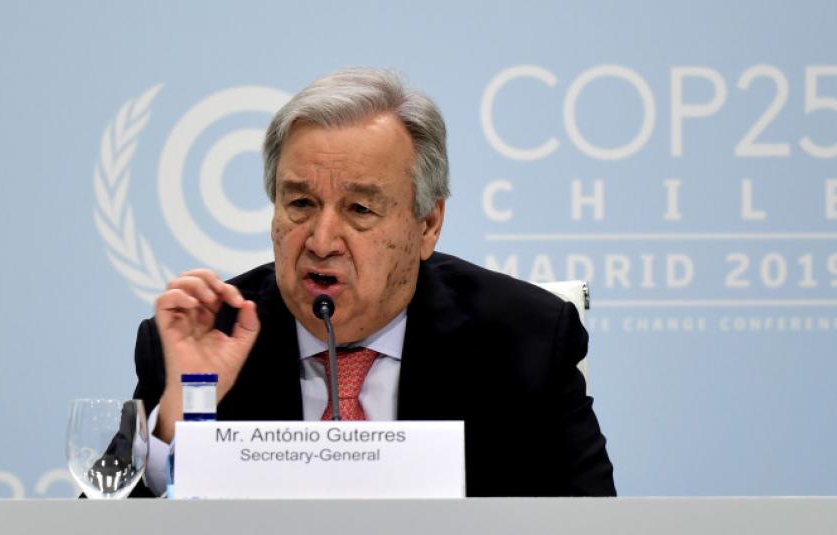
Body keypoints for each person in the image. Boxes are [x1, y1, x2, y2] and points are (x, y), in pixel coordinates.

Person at [131, 67, 615, 497]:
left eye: (360, 209)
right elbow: (109, 521)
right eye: (300, 204)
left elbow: (592, 525)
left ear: (427, 225)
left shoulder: (524, 339)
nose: (322, 241)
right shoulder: (207, 336)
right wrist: (182, 413)